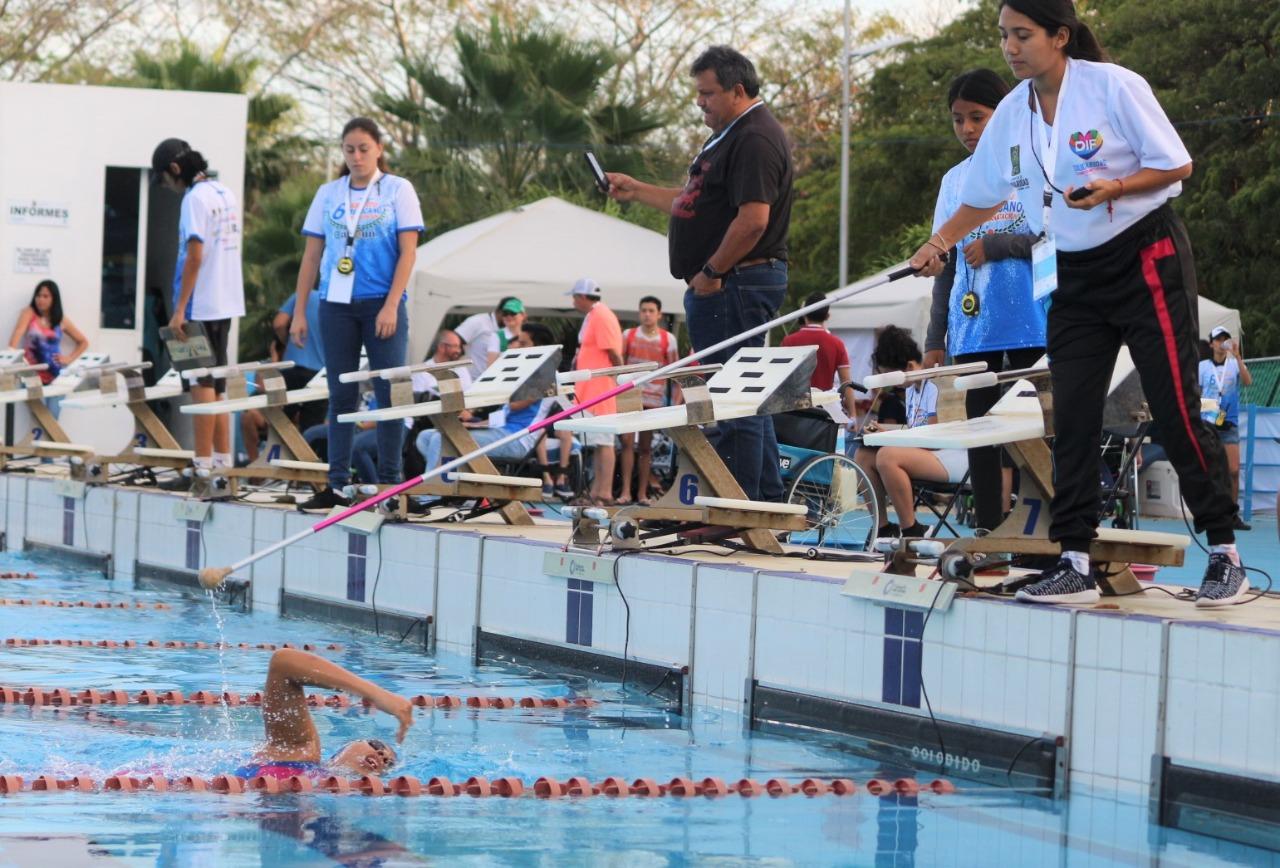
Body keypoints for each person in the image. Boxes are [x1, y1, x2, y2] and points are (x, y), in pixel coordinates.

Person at [909, 0, 1244, 607]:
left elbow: (1176, 165)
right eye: (1004, 36)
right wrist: (940, 243)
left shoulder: (1113, 87)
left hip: (1145, 255)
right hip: (1073, 272)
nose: (1010, 48)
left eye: (1023, 35)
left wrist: (1115, 186)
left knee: (1173, 405)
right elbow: (982, 197)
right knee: (1072, 418)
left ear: (1060, 36)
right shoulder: (1013, 112)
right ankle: (1073, 556)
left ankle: (1224, 551)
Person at [605, 45, 794, 503]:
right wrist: (636, 190)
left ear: (737, 89)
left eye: (707, 94)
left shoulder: (753, 138)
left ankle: (737, 503)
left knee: (730, 399)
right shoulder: (731, 135)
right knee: (745, 395)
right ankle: (763, 498)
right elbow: (693, 201)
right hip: (730, 281)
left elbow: (753, 220)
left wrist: (711, 272)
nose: (700, 102)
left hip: (735, 281)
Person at [923, 69, 1046, 533]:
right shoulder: (953, 182)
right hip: (974, 327)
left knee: (1038, 429)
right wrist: (936, 337)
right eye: (958, 120)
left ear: (1004, 114)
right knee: (981, 435)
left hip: (1034, 322)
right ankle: (989, 530)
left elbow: (1054, 237)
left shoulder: (1030, 167)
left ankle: (1046, 526)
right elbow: (946, 260)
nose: (968, 129)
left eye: (978, 117)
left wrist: (998, 245)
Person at [290, 117, 424, 511]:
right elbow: (312, 256)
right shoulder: (329, 194)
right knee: (341, 394)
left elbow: (408, 252)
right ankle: (337, 484)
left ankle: (390, 483)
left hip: (381, 301)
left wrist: (390, 304)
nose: (357, 156)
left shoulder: (397, 190)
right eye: (349, 149)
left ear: (379, 149)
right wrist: (300, 311)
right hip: (336, 304)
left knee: (389, 394)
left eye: (364, 148)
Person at [152, 138, 245, 484]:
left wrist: (178, 311)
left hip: (200, 303)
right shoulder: (224, 193)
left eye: (165, 180)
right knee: (216, 382)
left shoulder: (194, 199)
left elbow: (194, 255)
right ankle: (221, 462)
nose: (169, 187)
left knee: (200, 381)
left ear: (175, 170)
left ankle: (202, 465)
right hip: (225, 300)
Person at [853, 326, 968, 539]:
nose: (888, 384)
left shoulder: (936, 384)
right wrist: (886, 431)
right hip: (927, 452)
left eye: (890, 376)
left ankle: (910, 528)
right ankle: (883, 525)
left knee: (888, 456)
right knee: (863, 455)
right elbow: (916, 430)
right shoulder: (910, 389)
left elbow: (935, 438)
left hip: (951, 455)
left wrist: (890, 437)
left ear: (908, 366)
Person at [233, 649, 412, 781]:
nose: (382, 755)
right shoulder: (299, 752)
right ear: (346, 747)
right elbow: (283, 663)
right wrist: (378, 695)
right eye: (376, 745)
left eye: (389, 764)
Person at [617, 296, 680, 505]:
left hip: (654, 398)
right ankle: (625, 491)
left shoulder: (668, 340)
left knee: (645, 447)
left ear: (659, 314)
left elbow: (675, 371)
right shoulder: (629, 335)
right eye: (643, 310)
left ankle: (642, 493)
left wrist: (676, 401)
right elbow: (620, 362)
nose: (647, 314)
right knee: (626, 442)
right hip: (629, 394)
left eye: (651, 310)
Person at [567, 279, 623, 506]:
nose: (572, 301)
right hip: (591, 389)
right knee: (599, 442)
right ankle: (597, 489)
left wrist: (619, 381)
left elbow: (614, 353)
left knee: (605, 441)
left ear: (582, 296)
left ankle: (604, 492)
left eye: (574, 297)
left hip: (600, 389)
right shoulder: (595, 314)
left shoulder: (601, 315)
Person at [1200, 327, 1252, 530]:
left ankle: (1232, 514)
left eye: (1225, 339)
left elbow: (1248, 382)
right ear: (1211, 343)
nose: (1222, 343)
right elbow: (1196, 392)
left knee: (1233, 471)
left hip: (1229, 424)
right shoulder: (1202, 366)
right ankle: (1210, 513)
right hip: (1209, 423)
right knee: (1211, 470)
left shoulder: (1234, 365)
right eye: (1218, 339)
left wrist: (1238, 356)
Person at [780, 292, 856, 418]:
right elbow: (846, 383)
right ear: (827, 316)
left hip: (794, 409)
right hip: (825, 410)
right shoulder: (837, 344)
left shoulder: (788, 341)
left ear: (804, 313)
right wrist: (853, 415)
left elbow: (780, 379)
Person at [8, 280, 89, 385]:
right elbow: (14, 342)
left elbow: (83, 342)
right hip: (31, 374)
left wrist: (69, 359)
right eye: (38, 295)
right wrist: (15, 363)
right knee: (34, 402)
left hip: (56, 374)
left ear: (54, 298)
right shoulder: (29, 313)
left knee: (56, 402)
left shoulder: (61, 319)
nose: (40, 299)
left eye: (46, 296)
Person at [275, 290, 327, 431]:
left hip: (293, 366)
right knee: (312, 429)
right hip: (321, 374)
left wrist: (288, 342)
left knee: (280, 424)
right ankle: (308, 453)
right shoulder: (337, 300)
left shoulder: (303, 295)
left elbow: (279, 323)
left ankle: (279, 453)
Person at [455, 297, 524, 379]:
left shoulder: (515, 332)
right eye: (506, 313)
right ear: (499, 312)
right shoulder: (477, 322)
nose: (509, 316)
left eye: (513, 313)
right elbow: (453, 342)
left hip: (497, 379)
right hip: (471, 380)